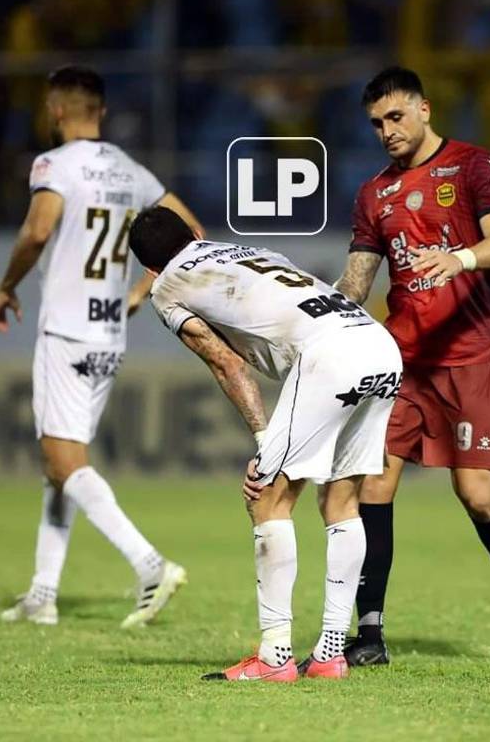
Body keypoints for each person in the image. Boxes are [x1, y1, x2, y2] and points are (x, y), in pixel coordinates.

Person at [128, 206, 402, 682]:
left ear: (149, 268)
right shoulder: (250, 250)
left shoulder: (167, 287)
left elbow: (227, 365)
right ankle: (330, 654)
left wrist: (263, 442)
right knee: (343, 499)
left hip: (330, 355)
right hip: (378, 343)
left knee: (267, 499)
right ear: (196, 232)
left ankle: (275, 656)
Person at [332, 66, 490, 665]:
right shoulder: (374, 194)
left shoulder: (473, 165)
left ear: (424, 109)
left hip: (468, 355)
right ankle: (369, 634)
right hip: (401, 359)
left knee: (477, 495)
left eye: (395, 117)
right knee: (374, 484)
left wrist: (462, 258)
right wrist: (308, 313)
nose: (387, 131)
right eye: (376, 124)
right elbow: (356, 282)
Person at [0, 66, 202, 628]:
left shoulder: (54, 165)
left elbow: (38, 230)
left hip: (65, 330)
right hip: (109, 333)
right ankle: (43, 593)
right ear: (100, 112)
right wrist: (140, 288)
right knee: (59, 466)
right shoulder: (131, 171)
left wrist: (7, 285)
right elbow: (192, 235)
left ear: (56, 111)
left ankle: (150, 564)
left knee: (65, 462)